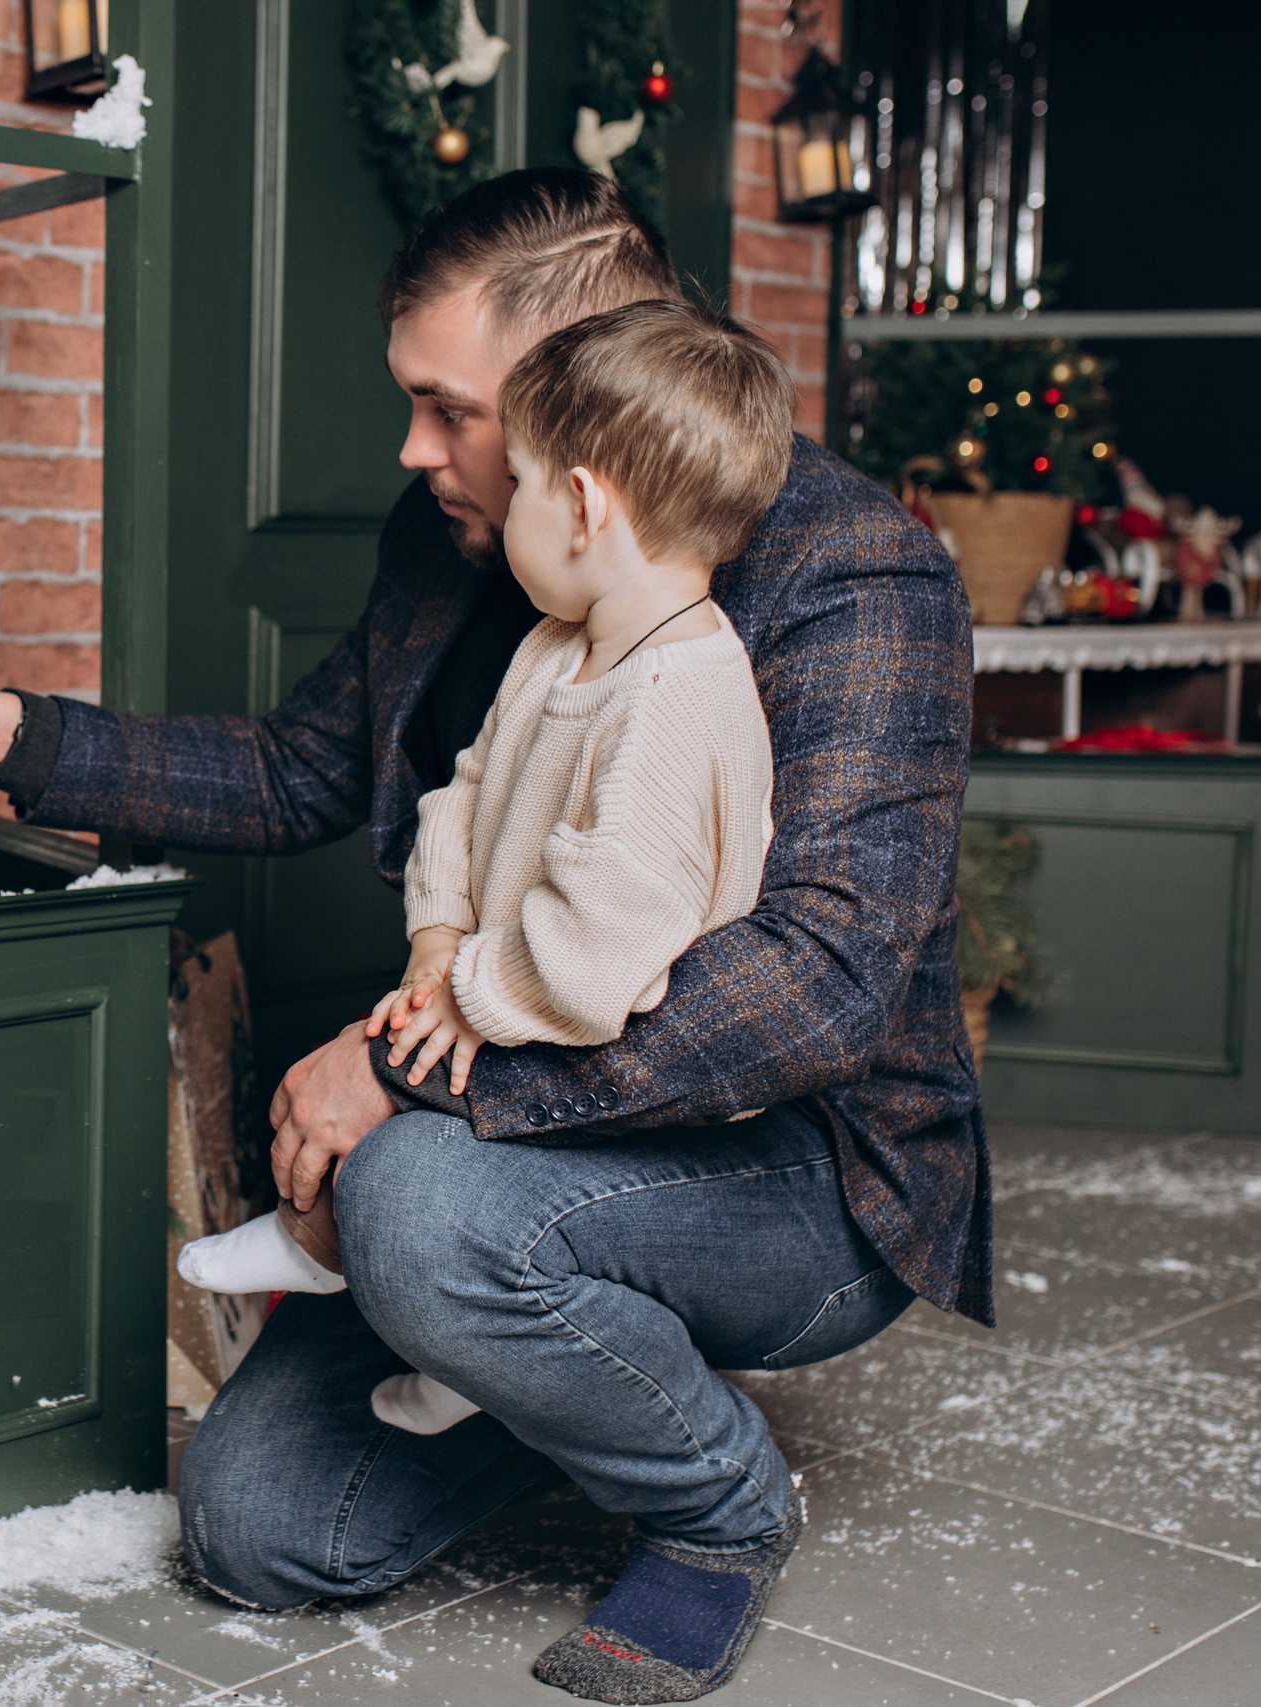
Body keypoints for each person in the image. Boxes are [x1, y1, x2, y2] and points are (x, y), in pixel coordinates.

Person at [0, 168, 987, 1705]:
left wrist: (416, 1075)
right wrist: (9, 733)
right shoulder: (466, 539)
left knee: (415, 1199)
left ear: (585, 394)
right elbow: (304, 768)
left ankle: (715, 1496)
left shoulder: (846, 570)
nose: (415, 448)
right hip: (523, 1113)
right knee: (257, 1524)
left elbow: (817, 988)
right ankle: (553, 1341)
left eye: (450, 406)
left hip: (796, 1170)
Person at [174, 299, 794, 1456]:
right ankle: (460, 1348)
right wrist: (432, 944)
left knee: (406, 1151)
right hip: (505, 995)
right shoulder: (558, 646)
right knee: (406, 1096)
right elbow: (462, 794)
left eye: (516, 478)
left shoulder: (674, 704)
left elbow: (599, 944)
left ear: (582, 505)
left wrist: (465, 998)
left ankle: (373, 1284)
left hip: (609, 1062)